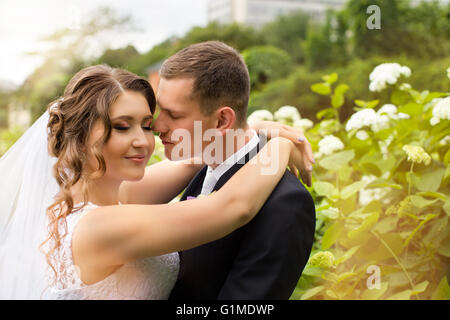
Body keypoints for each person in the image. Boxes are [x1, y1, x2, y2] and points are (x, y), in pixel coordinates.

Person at [0, 64, 309, 300]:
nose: (142, 141)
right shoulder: (99, 228)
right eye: (122, 127)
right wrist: (282, 144)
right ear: (80, 135)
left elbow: (192, 160)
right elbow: (232, 207)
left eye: (146, 126)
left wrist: (249, 129)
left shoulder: (100, 191)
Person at [152, 41, 316, 300]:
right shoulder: (202, 167)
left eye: (173, 114)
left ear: (221, 121)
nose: (157, 125)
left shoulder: (285, 203)